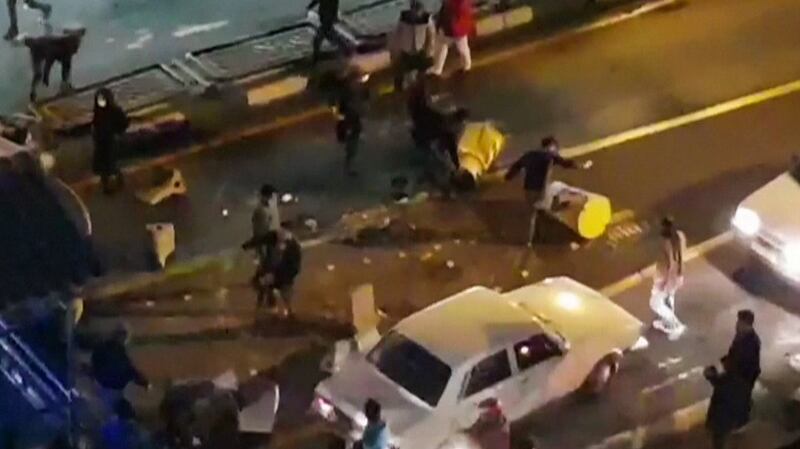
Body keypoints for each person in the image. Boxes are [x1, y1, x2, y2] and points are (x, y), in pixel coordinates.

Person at [505, 136, 592, 246]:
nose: (556, 150)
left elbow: (516, 167)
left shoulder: (529, 155)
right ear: (551, 146)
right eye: (555, 148)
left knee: (532, 214)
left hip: (528, 190)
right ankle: (564, 232)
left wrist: (507, 177)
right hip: (542, 191)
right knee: (552, 205)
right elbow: (567, 163)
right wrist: (583, 165)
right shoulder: (549, 156)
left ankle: (529, 240)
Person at [704, 311, 761, 449]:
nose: (736, 325)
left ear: (746, 324)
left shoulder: (749, 344)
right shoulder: (743, 337)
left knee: (721, 421)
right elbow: (733, 357)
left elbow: (734, 371)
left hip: (738, 384)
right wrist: (721, 363)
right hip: (740, 382)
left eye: (739, 322)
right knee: (739, 405)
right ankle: (740, 423)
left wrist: (713, 375)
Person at [91, 324, 149, 412]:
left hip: (101, 385)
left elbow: (95, 362)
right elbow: (127, 370)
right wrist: (143, 382)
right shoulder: (119, 353)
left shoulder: (102, 347)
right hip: (113, 387)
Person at [649, 216, 687, 339]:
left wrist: (665, 283)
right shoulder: (680, 236)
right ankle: (666, 322)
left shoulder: (666, 243)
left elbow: (670, 264)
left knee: (655, 303)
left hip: (666, 277)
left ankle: (674, 324)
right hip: (678, 275)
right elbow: (680, 257)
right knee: (668, 298)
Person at [23, 27, 85, 102]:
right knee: (38, 73)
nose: (76, 51)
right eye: (75, 48)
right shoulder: (55, 48)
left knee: (66, 64)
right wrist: (46, 76)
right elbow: (49, 62)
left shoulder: (69, 43)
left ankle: (65, 85)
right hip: (38, 50)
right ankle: (33, 91)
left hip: (50, 46)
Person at [390, 0, 435, 91]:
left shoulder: (427, 19)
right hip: (406, 50)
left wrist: (429, 50)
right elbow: (397, 34)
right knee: (400, 72)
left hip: (420, 50)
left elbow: (431, 35)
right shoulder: (403, 18)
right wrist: (395, 50)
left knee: (422, 74)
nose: (416, 14)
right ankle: (399, 90)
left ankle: (421, 90)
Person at [92, 88, 129, 194]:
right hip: (102, 140)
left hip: (110, 140)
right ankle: (108, 181)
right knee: (105, 164)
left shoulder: (114, 111)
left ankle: (115, 180)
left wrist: (117, 133)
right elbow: (96, 125)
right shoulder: (99, 112)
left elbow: (123, 123)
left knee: (110, 162)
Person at [334, 69, 369, 176]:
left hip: (352, 119)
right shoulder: (350, 91)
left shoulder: (352, 89)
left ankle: (349, 166)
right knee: (352, 144)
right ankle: (348, 167)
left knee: (353, 142)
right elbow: (344, 108)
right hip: (350, 120)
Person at [430, 0, 474, 77]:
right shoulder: (461, 3)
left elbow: (448, 11)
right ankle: (466, 66)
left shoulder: (455, 4)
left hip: (454, 27)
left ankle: (437, 69)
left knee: (444, 46)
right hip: (457, 27)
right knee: (462, 48)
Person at [307, 0, 340, 65]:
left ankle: (315, 59)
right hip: (325, 19)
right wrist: (310, 6)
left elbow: (335, 5)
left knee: (318, 40)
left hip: (327, 19)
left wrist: (334, 16)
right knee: (330, 37)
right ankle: (316, 58)